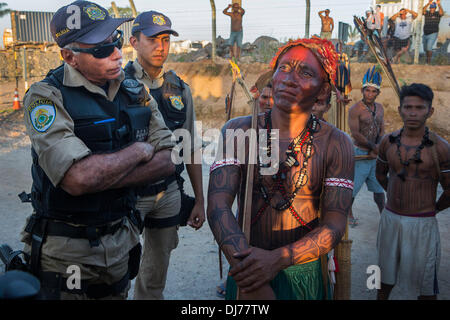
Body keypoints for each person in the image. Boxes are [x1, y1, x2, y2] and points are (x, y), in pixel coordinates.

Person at [20, 0, 176, 300]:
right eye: (102, 49)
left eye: (116, 41)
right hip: (67, 253)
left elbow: (169, 159)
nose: (118, 54)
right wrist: (139, 151)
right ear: (70, 56)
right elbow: (77, 179)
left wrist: (101, 174)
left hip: (120, 240)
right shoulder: (46, 96)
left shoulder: (134, 91)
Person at [207, 37, 355, 300]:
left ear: (322, 91)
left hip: (302, 276)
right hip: (245, 269)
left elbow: (334, 224)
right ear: (272, 79)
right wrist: (254, 279)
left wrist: (277, 260)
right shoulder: (238, 130)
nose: (290, 79)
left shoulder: (336, 143)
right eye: (284, 68)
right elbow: (218, 205)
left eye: (306, 72)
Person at [127, 11, 205, 300]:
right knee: (116, 269)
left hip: (168, 192)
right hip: (127, 194)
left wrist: (199, 199)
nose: (161, 46)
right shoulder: (115, 85)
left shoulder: (180, 89)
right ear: (134, 41)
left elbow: (192, 146)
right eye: (152, 39)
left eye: (165, 40)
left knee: (154, 275)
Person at [375, 83, 450, 300]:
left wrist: (431, 210)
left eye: (419, 108)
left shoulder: (440, 148)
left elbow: (449, 190)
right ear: (400, 110)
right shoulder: (387, 142)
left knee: (426, 287)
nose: (413, 113)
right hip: (390, 219)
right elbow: (381, 175)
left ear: (430, 111)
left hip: (423, 223)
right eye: (408, 107)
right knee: (382, 281)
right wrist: (396, 197)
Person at [347, 66, 385, 227]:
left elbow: (382, 129)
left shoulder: (380, 108)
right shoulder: (355, 109)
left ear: (378, 93)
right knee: (353, 188)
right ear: (362, 91)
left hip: (374, 155)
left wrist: (379, 147)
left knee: (378, 189)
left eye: (373, 91)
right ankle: (348, 215)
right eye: (367, 90)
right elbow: (355, 133)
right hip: (360, 153)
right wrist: (373, 147)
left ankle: (384, 215)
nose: (370, 94)